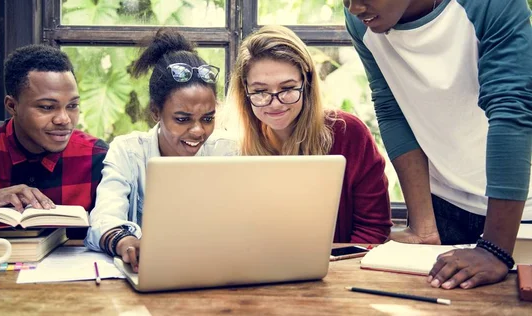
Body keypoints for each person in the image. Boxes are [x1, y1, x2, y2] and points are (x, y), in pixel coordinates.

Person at [343, 0, 532, 289]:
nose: (354, 7)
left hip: (516, 214)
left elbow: (511, 109)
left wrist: (495, 248)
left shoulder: (492, 4)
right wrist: (424, 227)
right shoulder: (363, 20)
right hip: (443, 206)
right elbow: (391, 105)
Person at [84, 28, 237, 272]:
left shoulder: (227, 151)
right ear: (156, 113)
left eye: (208, 119)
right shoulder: (128, 151)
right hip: (148, 275)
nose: (198, 131)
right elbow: (102, 220)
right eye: (182, 119)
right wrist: (124, 240)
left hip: (215, 273)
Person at [226, 25, 392, 244]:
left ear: (307, 83)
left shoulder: (348, 132)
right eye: (260, 92)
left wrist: (333, 266)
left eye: (287, 88)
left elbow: (373, 228)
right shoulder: (230, 146)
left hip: (341, 269)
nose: (275, 103)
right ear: (244, 91)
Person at [0, 44, 108, 237]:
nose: (64, 119)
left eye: (72, 106)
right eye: (47, 107)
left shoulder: (96, 157)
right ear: (12, 106)